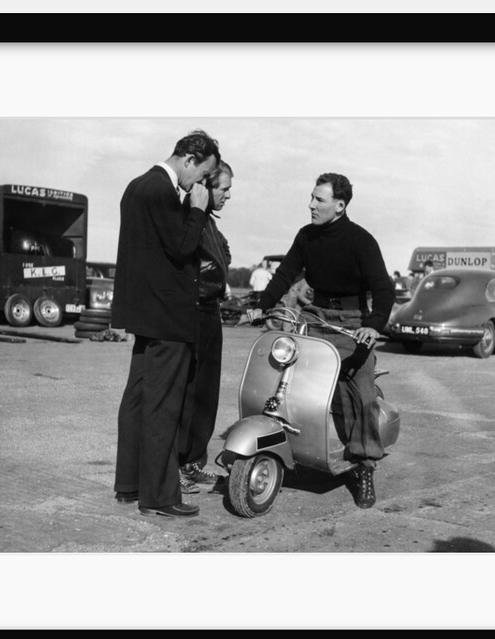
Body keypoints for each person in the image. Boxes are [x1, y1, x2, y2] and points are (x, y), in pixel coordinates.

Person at [247, 173, 395, 509]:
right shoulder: (306, 236)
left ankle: (365, 465)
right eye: (311, 198)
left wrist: (373, 326)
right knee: (288, 378)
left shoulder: (361, 241)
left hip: (353, 324)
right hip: (314, 317)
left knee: (362, 394)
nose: (311, 205)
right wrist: (262, 305)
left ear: (340, 206)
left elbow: (383, 288)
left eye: (319, 200)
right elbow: (285, 273)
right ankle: (293, 443)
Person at [111, 129, 220, 518]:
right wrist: (198, 210)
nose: (200, 184)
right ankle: (159, 496)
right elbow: (181, 247)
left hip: (144, 315)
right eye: (202, 174)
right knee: (163, 407)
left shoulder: (137, 185)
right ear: (189, 159)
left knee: (138, 401)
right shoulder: (162, 190)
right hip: (169, 317)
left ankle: (130, 484)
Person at [177, 162, 234, 494]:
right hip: (192, 312)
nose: (228, 195)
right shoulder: (190, 216)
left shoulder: (210, 222)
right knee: (186, 392)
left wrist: (220, 278)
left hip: (211, 312)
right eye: (224, 188)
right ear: (206, 187)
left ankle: (194, 463)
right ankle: (175, 466)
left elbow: (222, 253)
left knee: (206, 393)